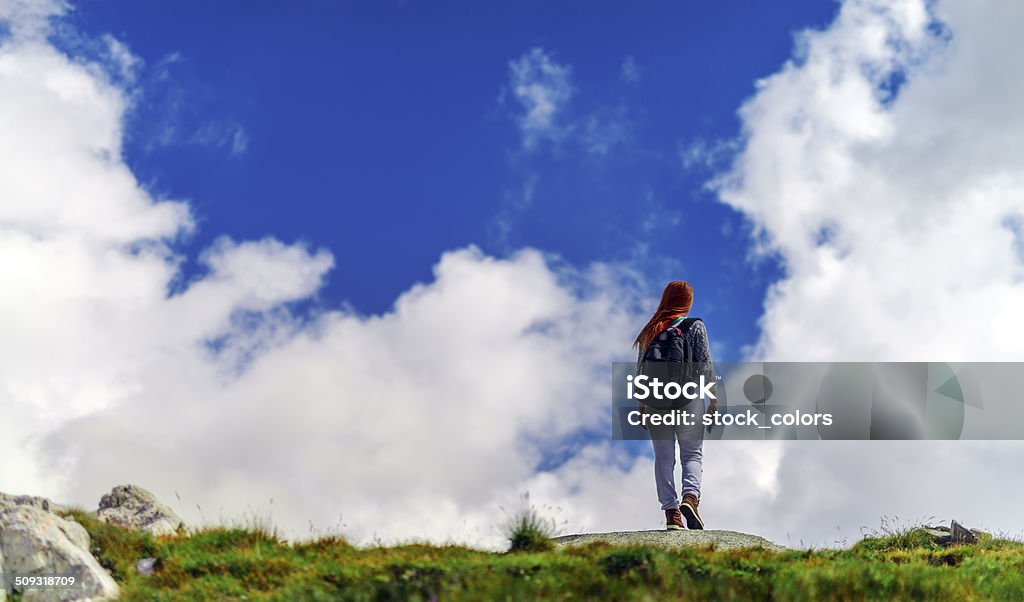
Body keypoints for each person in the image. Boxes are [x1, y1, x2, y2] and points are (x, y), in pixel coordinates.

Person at [633, 281, 717, 531]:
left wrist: (641, 406)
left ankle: (672, 515)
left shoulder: (651, 329)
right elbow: (704, 365)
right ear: (687, 302)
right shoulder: (694, 326)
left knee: (663, 457)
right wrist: (713, 400)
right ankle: (690, 498)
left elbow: (640, 370)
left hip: (656, 399)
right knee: (691, 454)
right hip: (688, 397)